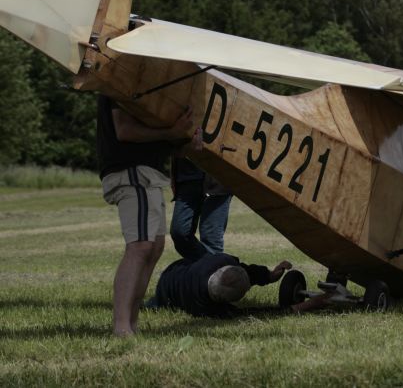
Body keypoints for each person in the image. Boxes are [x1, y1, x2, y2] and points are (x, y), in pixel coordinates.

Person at [97, 94, 197, 337]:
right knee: (141, 246)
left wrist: (185, 142)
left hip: (148, 173)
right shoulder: (122, 79)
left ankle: (131, 323)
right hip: (132, 170)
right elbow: (125, 130)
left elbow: (165, 143)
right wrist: (171, 131)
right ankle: (121, 326)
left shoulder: (148, 86)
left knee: (154, 248)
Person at [152, 253, 328, 317]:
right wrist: (308, 305)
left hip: (178, 267)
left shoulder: (223, 260)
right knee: (150, 306)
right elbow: (252, 313)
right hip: (165, 292)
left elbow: (244, 271)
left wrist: (269, 275)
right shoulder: (205, 308)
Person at [170, 157, 233, 261]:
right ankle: (208, 266)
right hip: (186, 176)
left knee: (211, 239)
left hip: (218, 177)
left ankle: (208, 271)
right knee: (179, 233)